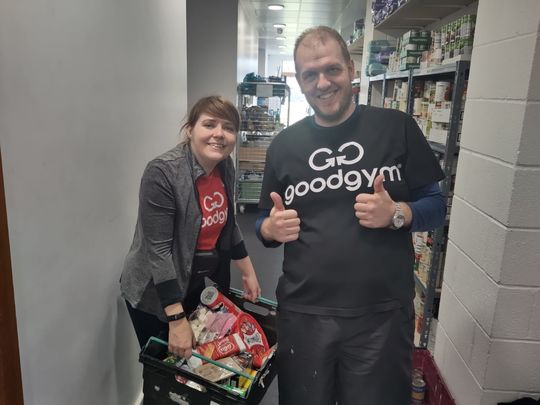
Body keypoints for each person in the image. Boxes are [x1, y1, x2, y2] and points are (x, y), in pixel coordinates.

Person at [256, 26, 446, 405]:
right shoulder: (284, 146)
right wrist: (270, 228)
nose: (323, 83)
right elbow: (263, 221)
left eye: (332, 70)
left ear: (350, 69)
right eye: (310, 74)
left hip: (381, 315)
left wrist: (398, 213)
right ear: (300, 81)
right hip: (304, 313)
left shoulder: (397, 128)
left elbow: (437, 207)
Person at [121, 95, 261, 359]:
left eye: (229, 128)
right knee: (163, 372)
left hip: (194, 281)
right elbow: (159, 252)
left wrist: (248, 271)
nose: (219, 134)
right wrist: (175, 319)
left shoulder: (224, 166)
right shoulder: (163, 173)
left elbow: (228, 223)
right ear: (190, 130)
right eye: (209, 124)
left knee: (195, 368)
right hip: (155, 292)